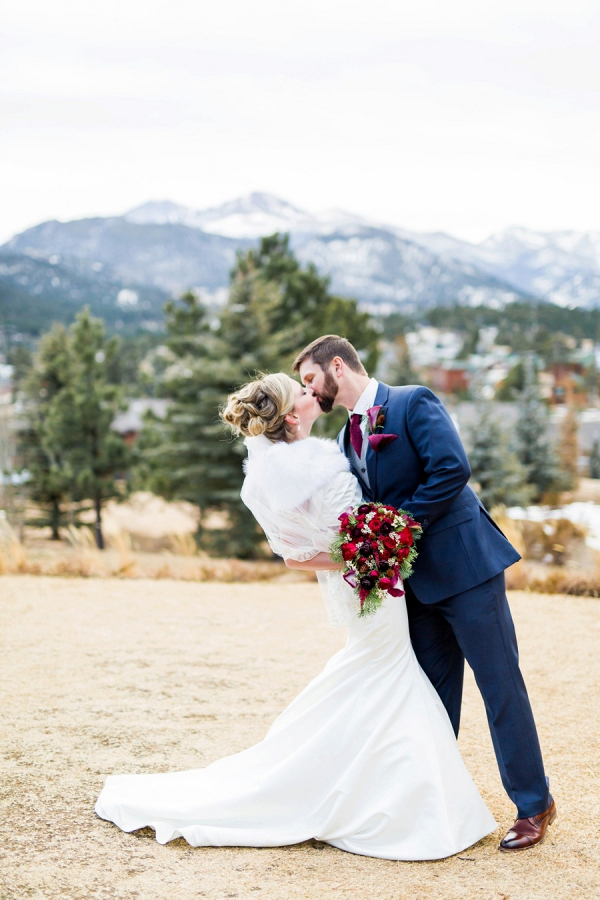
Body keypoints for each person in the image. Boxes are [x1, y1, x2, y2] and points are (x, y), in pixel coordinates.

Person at [95, 372, 496, 860]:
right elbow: (345, 541)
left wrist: (360, 552)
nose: (313, 394)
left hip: (353, 588)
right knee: (388, 678)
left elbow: (293, 558)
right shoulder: (320, 468)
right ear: (290, 415)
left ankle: (372, 782)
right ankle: (371, 792)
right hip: (371, 586)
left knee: (376, 678)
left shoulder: (261, 477)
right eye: (303, 392)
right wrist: (371, 550)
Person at [293, 335, 556, 852]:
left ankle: (534, 805)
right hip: (413, 587)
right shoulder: (348, 438)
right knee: (432, 700)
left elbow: (452, 468)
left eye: (309, 379)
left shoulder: (412, 401)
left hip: (468, 568)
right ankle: (437, 805)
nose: (309, 390)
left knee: (500, 687)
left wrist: (398, 527)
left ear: (337, 367)